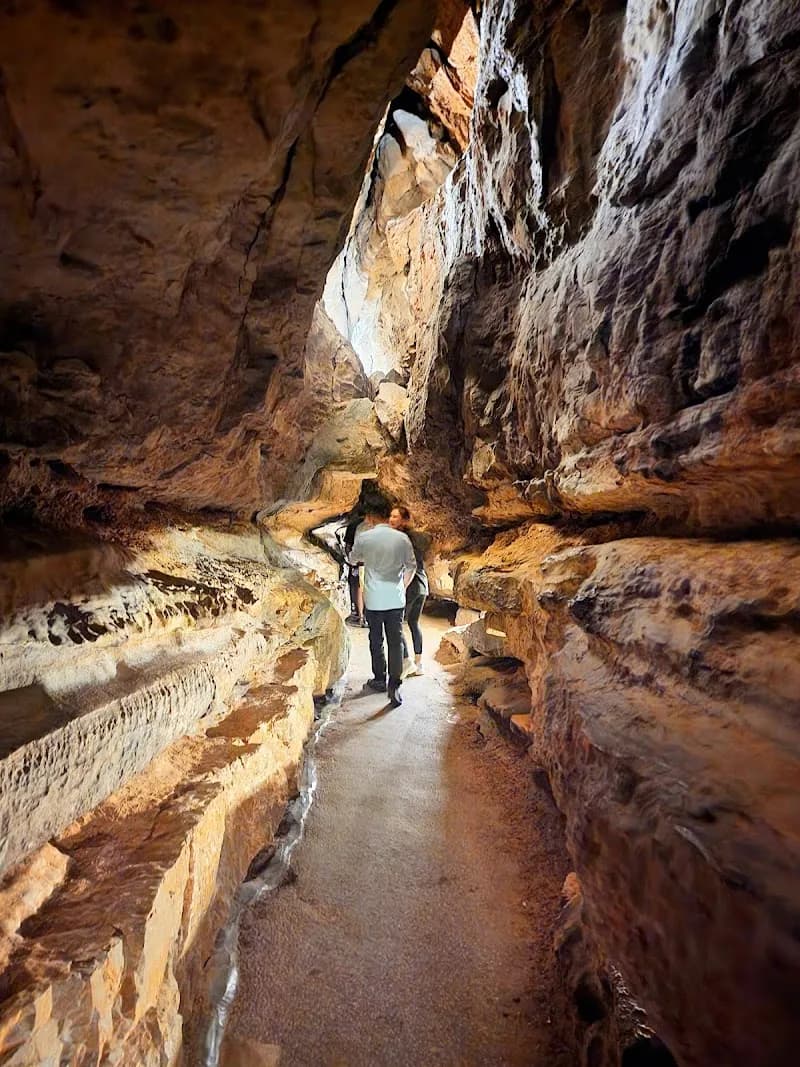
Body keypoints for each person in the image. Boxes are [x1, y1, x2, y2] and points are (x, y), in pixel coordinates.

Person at [349, 499, 416, 707]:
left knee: (375, 639)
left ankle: (379, 679)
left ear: (370, 518)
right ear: (387, 516)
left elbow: (352, 559)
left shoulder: (365, 537)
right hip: (395, 598)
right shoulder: (402, 539)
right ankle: (394, 685)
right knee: (395, 641)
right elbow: (411, 566)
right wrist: (402, 586)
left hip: (374, 598)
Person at [389, 505, 429, 676]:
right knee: (413, 623)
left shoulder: (400, 538)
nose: (391, 519)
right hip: (422, 584)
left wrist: (401, 587)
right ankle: (419, 664)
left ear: (404, 520)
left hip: (411, 584)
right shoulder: (414, 537)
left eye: (396, 517)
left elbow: (406, 565)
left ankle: (407, 661)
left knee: (394, 622)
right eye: (390, 516)